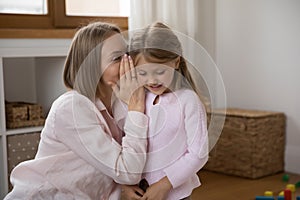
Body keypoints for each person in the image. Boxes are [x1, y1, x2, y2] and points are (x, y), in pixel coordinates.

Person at [4, 22, 148, 200]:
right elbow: (128, 171)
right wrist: (136, 109)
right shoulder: (71, 108)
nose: (129, 62)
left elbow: (119, 163)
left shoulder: (119, 101)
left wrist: (122, 183)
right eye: (117, 58)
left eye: (128, 54)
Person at [121, 22, 209, 200]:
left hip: (174, 194)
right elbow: (124, 142)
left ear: (176, 62)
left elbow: (198, 153)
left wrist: (164, 184)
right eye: (143, 73)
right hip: (138, 192)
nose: (152, 80)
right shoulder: (137, 98)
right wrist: (123, 184)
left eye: (159, 71)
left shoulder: (188, 101)